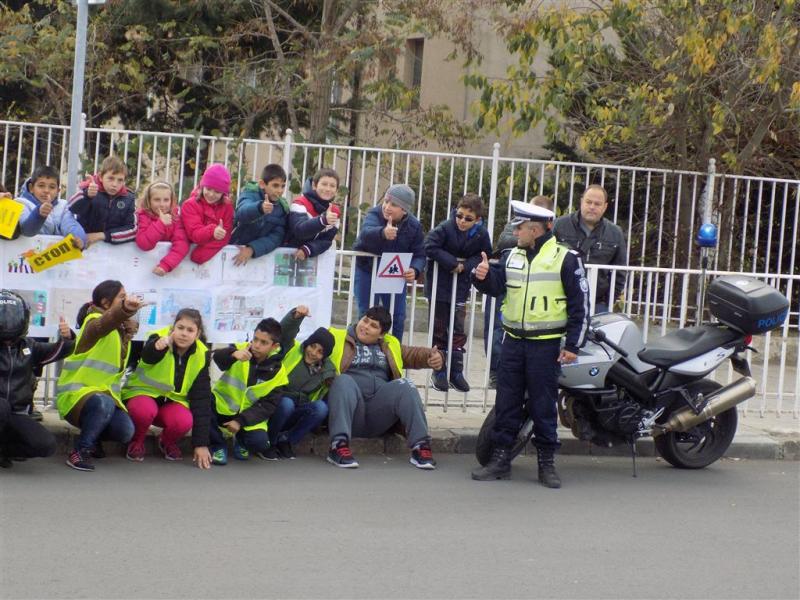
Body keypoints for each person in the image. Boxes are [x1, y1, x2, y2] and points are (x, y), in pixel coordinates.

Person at [470, 201, 590, 488]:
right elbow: (498, 287)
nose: (515, 231)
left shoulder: (566, 258)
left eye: (520, 227)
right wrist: (483, 278)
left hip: (545, 346)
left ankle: (546, 464)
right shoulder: (512, 255)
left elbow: (580, 307)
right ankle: (500, 460)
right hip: (512, 342)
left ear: (535, 229)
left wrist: (573, 345)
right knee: (506, 403)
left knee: (542, 406)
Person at [325, 306, 444, 470]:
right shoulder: (338, 338)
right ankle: (337, 446)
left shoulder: (389, 344)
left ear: (381, 334)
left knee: (406, 385)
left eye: (373, 326)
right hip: (349, 412)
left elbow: (413, 354)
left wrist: (433, 356)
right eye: (365, 320)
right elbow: (311, 345)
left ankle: (420, 447)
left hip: (378, 414)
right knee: (343, 380)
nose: (365, 327)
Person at [56, 280, 145, 471]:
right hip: (76, 397)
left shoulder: (121, 332)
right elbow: (106, 322)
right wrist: (126, 309)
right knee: (103, 402)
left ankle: (93, 438)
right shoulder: (94, 322)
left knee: (125, 431)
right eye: (121, 297)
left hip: (105, 399)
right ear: (106, 303)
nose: (126, 299)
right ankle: (80, 451)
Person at [121, 309, 212, 468]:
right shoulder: (158, 338)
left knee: (184, 420)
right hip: (142, 395)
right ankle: (137, 441)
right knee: (143, 410)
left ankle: (166, 441)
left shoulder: (201, 355)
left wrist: (201, 444)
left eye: (190, 330)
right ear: (172, 329)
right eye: (180, 327)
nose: (184, 333)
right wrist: (158, 347)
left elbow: (201, 399)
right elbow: (148, 356)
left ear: (197, 335)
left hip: (171, 404)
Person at [483, 195, 554, 388]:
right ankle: (495, 371)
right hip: (514, 330)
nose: (516, 232)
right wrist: (480, 276)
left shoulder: (559, 254)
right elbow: (503, 241)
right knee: (496, 329)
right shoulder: (514, 249)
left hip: (541, 336)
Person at [424, 193, 492, 393]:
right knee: (439, 329)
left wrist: (466, 266)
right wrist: (452, 263)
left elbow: (483, 255)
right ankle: (439, 371)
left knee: (458, 329)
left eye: (468, 219)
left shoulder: (481, 234)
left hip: (461, 288)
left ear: (477, 220)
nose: (462, 221)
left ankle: (456, 371)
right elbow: (429, 245)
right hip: (440, 287)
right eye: (459, 215)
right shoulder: (445, 227)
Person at [0, 290, 74, 468]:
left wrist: (67, 339)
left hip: (17, 412)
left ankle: (4, 451)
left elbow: (57, 352)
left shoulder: (30, 347)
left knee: (45, 445)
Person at [209, 317, 288, 464]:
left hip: (248, 417)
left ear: (274, 346)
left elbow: (268, 405)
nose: (256, 345)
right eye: (255, 339)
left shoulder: (279, 371)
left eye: (263, 342)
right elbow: (218, 359)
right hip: (222, 407)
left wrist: (240, 421)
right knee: (202, 405)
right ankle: (218, 445)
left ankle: (241, 441)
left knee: (260, 443)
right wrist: (233, 354)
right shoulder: (240, 348)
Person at [352, 184, 425, 341]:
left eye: (393, 204)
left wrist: (415, 269)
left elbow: (420, 254)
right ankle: (359, 352)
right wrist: (382, 233)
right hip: (367, 270)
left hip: (394, 274)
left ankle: (394, 352)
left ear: (404, 210)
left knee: (398, 316)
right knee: (366, 312)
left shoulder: (414, 225)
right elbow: (365, 233)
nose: (387, 207)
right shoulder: (374, 213)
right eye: (386, 201)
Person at [262, 308, 336, 460]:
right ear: (307, 343)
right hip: (276, 404)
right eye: (312, 346)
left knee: (321, 408)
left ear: (325, 356)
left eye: (320, 351)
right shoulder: (293, 349)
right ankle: (271, 441)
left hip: (298, 410)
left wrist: (331, 375)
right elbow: (284, 333)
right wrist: (295, 317)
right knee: (287, 403)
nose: (313, 353)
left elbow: (332, 377)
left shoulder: (326, 369)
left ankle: (287, 441)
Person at [553, 184, 627, 313]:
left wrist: (608, 301)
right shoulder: (560, 225)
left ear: (605, 207)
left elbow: (619, 272)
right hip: (560, 299)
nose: (592, 207)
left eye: (597, 204)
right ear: (581, 202)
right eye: (588, 202)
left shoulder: (615, 233)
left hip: (597, 304)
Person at [68, 156, 137, 246]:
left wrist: (103, 235)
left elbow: (132, 231)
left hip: (113, 254)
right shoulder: (89, 188)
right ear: (100, 177)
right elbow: (72, 208)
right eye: (111, 178)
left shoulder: (129, 198)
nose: (115, 184)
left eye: (120, 180)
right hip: (82, 248)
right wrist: (87, 196)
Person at [229, 163, 290, 266]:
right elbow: (241, 213)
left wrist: (252, 249)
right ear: (262, 184)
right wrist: (259, 208)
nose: (280, 190)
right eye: (275, 185)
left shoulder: (281, 208)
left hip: (257, 257)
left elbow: (276, 237)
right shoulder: (250, 193)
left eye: (283, 186)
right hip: (232, 250)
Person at [15, 165, 87, 247]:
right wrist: (39, 214)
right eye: (41, 186)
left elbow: (70, 225)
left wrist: (79, 239)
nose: (46, 191)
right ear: (31, 188)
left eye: (52, 187)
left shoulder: (63, 206)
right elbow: (27, 230)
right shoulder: (21, 203)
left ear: (58, 191)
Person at [180, 163, 234, 264]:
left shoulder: (227, 206)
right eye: (208, 189)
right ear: (202, 186)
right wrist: (213, 231)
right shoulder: (189, 205)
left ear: (224, 193)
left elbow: (225, 236)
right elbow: (194, 234)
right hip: (182, 252)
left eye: (217, 192)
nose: (211, 194)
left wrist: (203, 253)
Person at [135, 180, 190, 275]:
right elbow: (143, 243)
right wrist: (161, 223)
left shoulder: (175, 218)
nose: (162, 204)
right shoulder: (143, 216)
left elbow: (182, 245)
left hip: (163, 270)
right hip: (141, 269)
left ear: (171, 200)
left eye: (166, 200)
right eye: (157, 200)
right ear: (149, 200)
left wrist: (166, 265)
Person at [286, 168, 341, 260]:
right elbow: (299, 230)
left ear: (336, 190)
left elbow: (326, 240)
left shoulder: (334, 211)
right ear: (314, 185)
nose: (328, 189)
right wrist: (323, 220)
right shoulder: (300, 203)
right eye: (324, 184)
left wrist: (307, 250)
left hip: (309, 258)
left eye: (332, 186)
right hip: (285, 253)